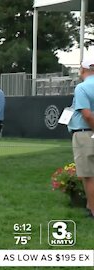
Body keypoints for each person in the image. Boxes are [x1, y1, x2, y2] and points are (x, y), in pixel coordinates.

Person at [67, 57, 94, 218]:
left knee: (89, 175)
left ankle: (93, 210)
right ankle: (89, 205)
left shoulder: (82, 87)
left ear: (83, 70)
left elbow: (87, 114)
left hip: (86, 133)